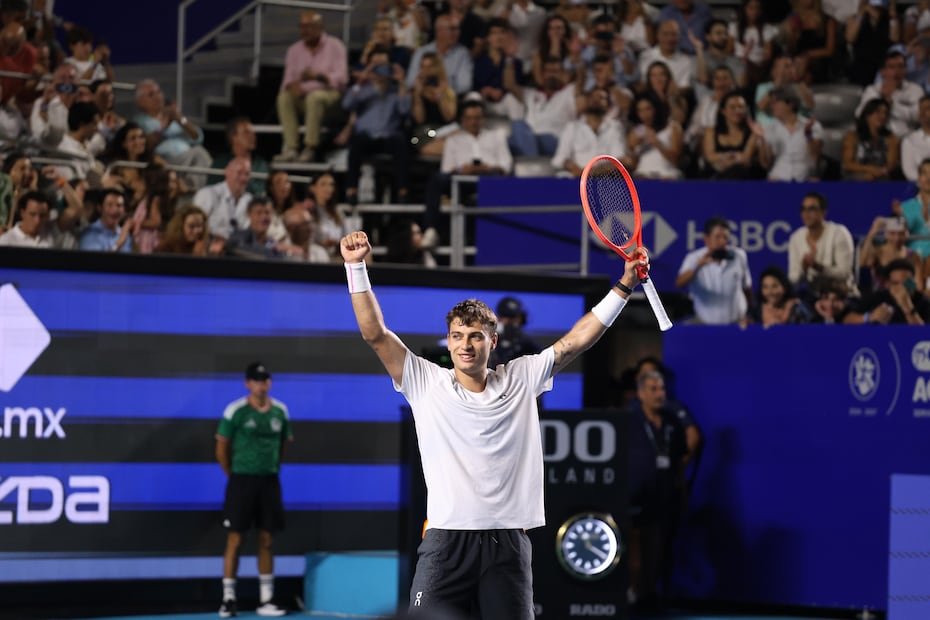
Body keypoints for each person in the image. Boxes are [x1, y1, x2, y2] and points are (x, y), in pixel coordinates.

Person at [339, 230, 650, 620]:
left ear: (492, 341)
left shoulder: (521, 377)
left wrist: (625, 284)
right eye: (457, 336)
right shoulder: (426, 382)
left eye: (474, 336)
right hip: (445, 543)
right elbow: (375, 334)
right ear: (448, 342)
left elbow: (576, 341)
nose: (464, 345)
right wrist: (356, 267)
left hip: (508, 545)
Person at [216, 362, 293, 618]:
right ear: (247, 383)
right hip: (241, 481)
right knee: (235, 539)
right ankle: (228, 598)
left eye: (265, 379)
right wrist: (234, 475)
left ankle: (266, 600)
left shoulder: (280, 411)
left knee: (267, 539)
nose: (262, 384)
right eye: (257, 380)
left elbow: (283, 447)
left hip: (269, 481)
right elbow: (221, 448)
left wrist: (270, 468)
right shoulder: (235, 411)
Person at [624, 370, 689, 610]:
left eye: (662, 389)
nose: (660, 394)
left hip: (663, 496)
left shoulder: (672, 421)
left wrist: (681, 493)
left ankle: (649, 594)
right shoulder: (628, 420)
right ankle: (631, 593)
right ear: (640, 393)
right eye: (654, 389)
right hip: (634, 495)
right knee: (634, 547)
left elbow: (680, 460)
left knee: (658, 548)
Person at [275, 11, 348, 163]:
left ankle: (310, 148)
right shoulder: (293, 50)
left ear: (320, 27)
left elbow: (342, 79)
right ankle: (292, 149)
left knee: (314, 97)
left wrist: (318, 76)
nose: (304, 30)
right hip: (303, 97)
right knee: (284, 98)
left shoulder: (336, 46)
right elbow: (287, 80)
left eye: (309, 26)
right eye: (302, 26)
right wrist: (292, 87)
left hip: (331, 96)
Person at [675, 216, 752, 324]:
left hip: (736, 323)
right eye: (718, 237)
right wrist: (698, 266)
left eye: (725, 237)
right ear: (706, 239)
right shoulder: (694, 258)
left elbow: (747, 288)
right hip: (704, 324)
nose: (722, 241)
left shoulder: (739, 256)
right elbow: (679, 283)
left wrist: (748, 314)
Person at [787, 191, 859, 298]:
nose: (806, 214)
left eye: (811, 209)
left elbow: (844, 273)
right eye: (803, 209)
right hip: (813, 298)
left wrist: (818, 267)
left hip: (843, 296)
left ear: (823, 212)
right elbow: (793, 280)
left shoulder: (839, 233)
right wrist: (803, 268)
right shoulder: (796, 238)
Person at [845, 259, 930, 324]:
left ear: (913, 283)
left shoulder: (923, 301)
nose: (901, 288)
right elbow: (847, 320)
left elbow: (925, 335)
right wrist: (869, 317)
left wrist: (908, 308)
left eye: (906, 284)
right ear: (888, 284)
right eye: (896, 284)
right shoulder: (878, 297)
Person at [841, 97, 899, 180]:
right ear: (867, 115)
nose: (883, 116)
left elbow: (891, 164)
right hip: (855, 178)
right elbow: (848, 164)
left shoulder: (890, 138)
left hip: (881, 177)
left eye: (885, 113)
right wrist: (870, 170)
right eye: (878, 112)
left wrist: (879, 172)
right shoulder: (852, 136)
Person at [747, 265, 811, 326]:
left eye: (774, 286)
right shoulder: (756, 310)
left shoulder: (797, 307)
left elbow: (809, 328)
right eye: (765, 287)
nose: (770, 292)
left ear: (784, 287)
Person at [488, 296, 542, 367]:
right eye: (506, 317)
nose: (510, 322)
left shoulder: (526, 343)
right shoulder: (491, 339)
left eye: (513, 318)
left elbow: (542, 362)